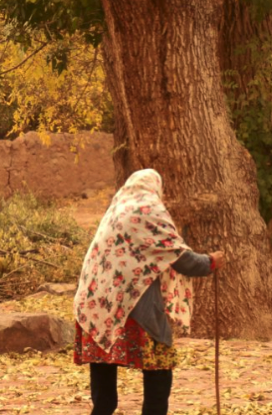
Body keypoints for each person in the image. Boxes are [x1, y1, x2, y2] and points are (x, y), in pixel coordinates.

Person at [73, 168, 226, 415]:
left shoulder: (117, 208)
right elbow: (180, 259)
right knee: (159, 373)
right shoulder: (148, 210)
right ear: (155, 188)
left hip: (96, 308)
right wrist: (210, 262)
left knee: (104, 400)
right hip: (130, 306)